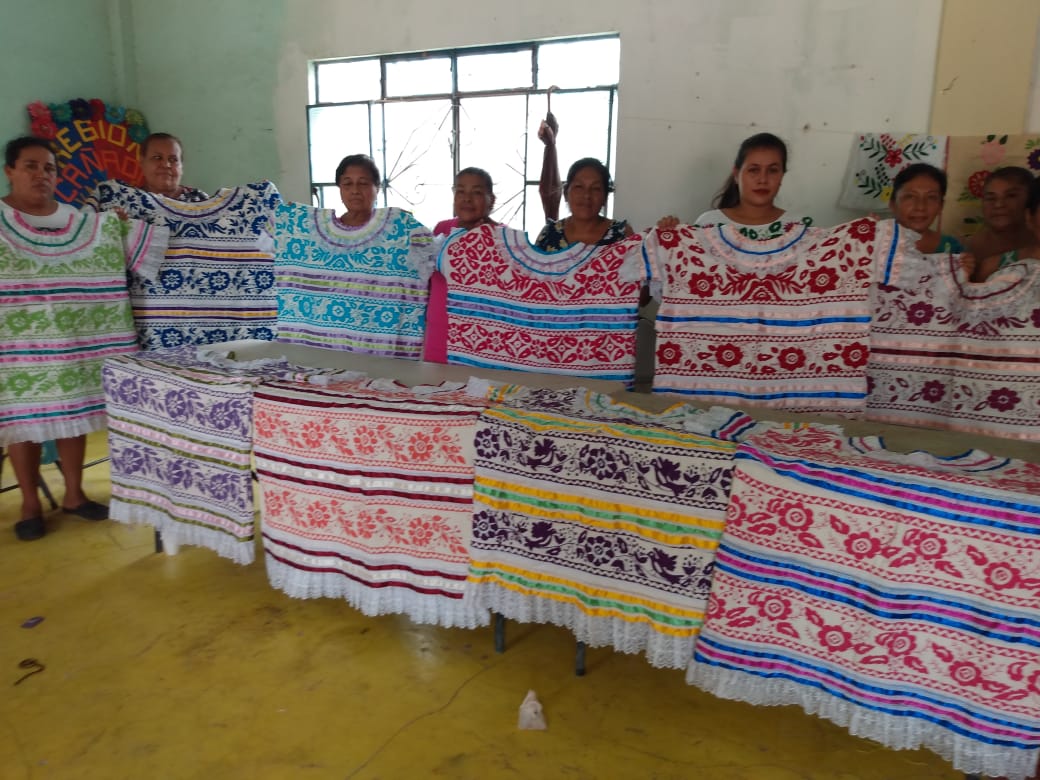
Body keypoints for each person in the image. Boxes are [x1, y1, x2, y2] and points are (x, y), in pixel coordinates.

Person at [1, 136, 109, 541]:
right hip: (13, 348)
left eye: (49, 168)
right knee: (21, 423)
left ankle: (74, 495)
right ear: (10, 170)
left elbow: (110, 245)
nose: (41, 175)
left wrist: (111, 226)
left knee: (72, 416)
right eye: (31, 165)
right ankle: (29, 503)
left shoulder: (78, 220)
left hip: (71, 341)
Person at [657, 133, 811, 237]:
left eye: (772, 170)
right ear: (737, 174)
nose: (763, 179)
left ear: (782, 175)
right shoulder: (709, 225)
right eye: (754, 170)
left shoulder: (800, 228)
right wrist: (670, 237)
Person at [534, 158, 632, 251]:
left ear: (605, 197)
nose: (586, 195)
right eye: (579, 187)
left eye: (595, 188)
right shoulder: (548, 234)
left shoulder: (622, 235)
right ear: (565, 193)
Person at [966, 166, 1035, 279]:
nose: (998, 205)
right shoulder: (967, 250)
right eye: (990, 198)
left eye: (1011, 196)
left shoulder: (1036, 246)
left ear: (1031, 201)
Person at [888, 163, 963, 254]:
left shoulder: (953, 249)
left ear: (941, 206)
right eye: (910, 196)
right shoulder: (873, 243)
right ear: (893, 204)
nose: (921, 207)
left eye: (931, 197)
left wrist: (965, 267)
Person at [138, 132, 208, 202]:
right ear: (142, 163)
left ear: (181, 166)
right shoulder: (130, 203)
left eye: (173, 159)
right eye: (157, 158)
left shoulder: (201, 200)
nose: (166, 165)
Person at [433, 167, 497, 236]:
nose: (467, 198)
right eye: (461, 191)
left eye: (476, 192)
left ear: (492, 200)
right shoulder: (442, 229)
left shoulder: (504, 236)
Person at [334, 153, 381, 227]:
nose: (355, 191)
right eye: (348, 183)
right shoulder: (325, 231)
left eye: (363, 183)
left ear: (377, 188)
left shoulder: (395, 226)